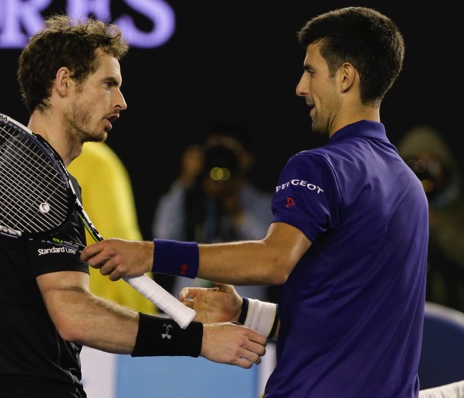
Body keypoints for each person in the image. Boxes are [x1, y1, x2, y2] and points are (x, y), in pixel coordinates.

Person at [81, 7, 429, 397]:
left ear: (345, 77)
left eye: (311, 71)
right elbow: (345, 319)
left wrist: (149, 254)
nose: (300, 86)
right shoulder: (409, 186)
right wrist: (244, 312)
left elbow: (273, 261)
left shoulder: (320, 166)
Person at [0, 15, 267, 398]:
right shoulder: (45, 180)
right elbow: (74, 316)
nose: (121, 102)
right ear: (64, 83)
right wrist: (199, 340)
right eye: (108, 84)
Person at [152, 122, 275, 301]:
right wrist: (185, 181)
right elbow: (163, 236)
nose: (221, 158)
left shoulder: (264, 204)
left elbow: (270, 250)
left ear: (246, 158)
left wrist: (233, 205)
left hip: (240, 315)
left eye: (229, 152)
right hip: (188, 309)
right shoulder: (190, 199)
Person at [68, 141, 158, 313]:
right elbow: (119, 239)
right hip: (99, 314)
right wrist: (143, 315)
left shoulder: (18, 156)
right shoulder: (96, 159)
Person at [398, 126, 464, 312]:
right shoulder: (386, 213)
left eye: (431, 164)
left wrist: (433, 223)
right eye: (413, 165)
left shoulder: (458, 213)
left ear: (445, 166)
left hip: (454, 317)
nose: (422, 173)